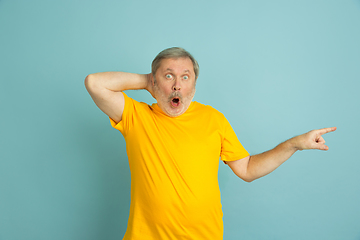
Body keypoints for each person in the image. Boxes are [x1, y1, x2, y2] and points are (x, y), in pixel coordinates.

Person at [84, 47, 336, 240]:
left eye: (185, 77)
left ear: (194, 84)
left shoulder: (213, 119)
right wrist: (146, 80)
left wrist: (294, 144)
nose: (177, 85)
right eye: (168, 76)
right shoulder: (136, 116)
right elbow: (95, 83)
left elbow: (247, 168)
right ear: (154, 82)